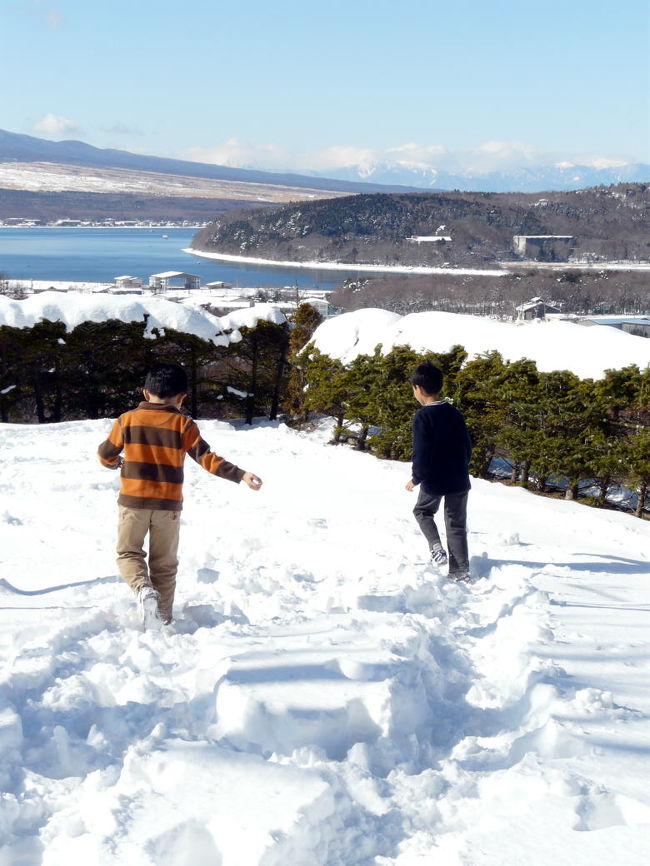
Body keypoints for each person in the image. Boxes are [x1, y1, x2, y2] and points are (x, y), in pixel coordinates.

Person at [97, 361, 262, 628]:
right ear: (181, 397)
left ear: (145, 393)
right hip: (168, 508)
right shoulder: (183, 424)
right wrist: (240, 474)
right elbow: (207, 458)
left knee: (128, 553)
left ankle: (142, 589)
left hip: (133, 504)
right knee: (165, 565)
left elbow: (106, 454)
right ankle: (162, 620)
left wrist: (114, 464)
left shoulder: (126, 420)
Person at [405, 361, 472, 581]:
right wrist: (462, 468)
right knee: (456, 524)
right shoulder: (454, 412)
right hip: (459, 478)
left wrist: (416, 478)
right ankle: (460, 571)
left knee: (422, 511)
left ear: (419, 389)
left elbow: (422, 451)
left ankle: (435, 546)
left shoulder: (423, 417)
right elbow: (467, 445)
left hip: (434, 479)